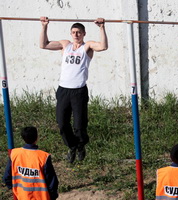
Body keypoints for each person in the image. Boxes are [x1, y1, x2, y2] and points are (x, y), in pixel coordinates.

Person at [39, 16, 108, 163]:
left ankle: (81, 146)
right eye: (73, 32)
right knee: (62, 123)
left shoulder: (87, 46)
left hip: (79, 91)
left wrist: (102, 27)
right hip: (63, 90)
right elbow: (43, 44)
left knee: (79, 125)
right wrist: (44, 26)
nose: (76, 34)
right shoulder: (65, 45)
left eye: (79, 32)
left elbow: (103, 46)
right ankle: (72, 146)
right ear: (70, 34)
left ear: (83, 34)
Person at [3, 126, 59, 200]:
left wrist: (16, 190)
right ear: (37, 138)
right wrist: (53, 196)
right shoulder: (43, 157)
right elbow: (52, 181)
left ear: (23, 138)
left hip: (22, 196)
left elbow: (6, 177)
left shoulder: (14, 154)